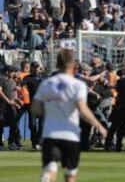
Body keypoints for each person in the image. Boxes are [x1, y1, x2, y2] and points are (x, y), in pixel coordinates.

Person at [31, 49, 107, 182]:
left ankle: (47, 177)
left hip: (50, 135)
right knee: (70, 176)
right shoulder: (77, 85)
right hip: (70, 135)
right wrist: (99, 126)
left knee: (50, 169)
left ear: (57, 64)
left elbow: (35, 108)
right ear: (72, 64)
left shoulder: (47, 83)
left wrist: (50, 113)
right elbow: (83, 110)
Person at [21, 61, 44, 150]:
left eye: (37, 67)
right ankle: (34, 142)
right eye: (34, 67)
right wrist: (19, 85)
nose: (35, 69)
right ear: (31, 68)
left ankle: (39, 142)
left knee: (42, 126)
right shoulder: (28, 77)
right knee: (32, 125)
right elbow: (22, 83)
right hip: (33, 106)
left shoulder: (44, 77)